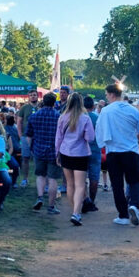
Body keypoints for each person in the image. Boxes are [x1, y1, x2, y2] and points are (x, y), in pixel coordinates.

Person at [95, 84, 139, 226]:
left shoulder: (105, 111)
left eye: (107, 94)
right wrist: (130, 137)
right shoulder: (133, 110)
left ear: (112, 94)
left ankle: (123, 215)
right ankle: (134, 205)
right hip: (131, 151)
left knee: (117, 185)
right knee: (135, 181)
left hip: (113, 152)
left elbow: (99, 132)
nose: (106, 97)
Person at [55, 93, 95, 226]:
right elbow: (90, 138)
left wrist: (57, 154)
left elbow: (58, 138)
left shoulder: (62, 117)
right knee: (80, 185)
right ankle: (76, 213)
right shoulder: (85, 118)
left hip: (65, 152)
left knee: (70, 184)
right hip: (80, 154)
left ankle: (75, 210)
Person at [26, 93, 60, 212]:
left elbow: (28, 135)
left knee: (40, 175)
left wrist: (31, 149)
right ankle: (51, 206)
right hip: (53, 151)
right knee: (52, 179)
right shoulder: (58, 116)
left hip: (38, 150)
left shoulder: (34, 116)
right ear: (54, 102)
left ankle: (40, 197)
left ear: (43, 101)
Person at [17, 94, 39, 188]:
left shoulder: (41, 106)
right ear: (28, 97)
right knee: (25, 158)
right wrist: (20, 135)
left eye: (34, 95)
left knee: (38, 159)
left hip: (38, 137)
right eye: (31, 95)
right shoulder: (24, 108)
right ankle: (25, 179)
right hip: (26, 136)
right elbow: (19, 122)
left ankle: (40, 180)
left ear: (37, 96)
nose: (33, 97)